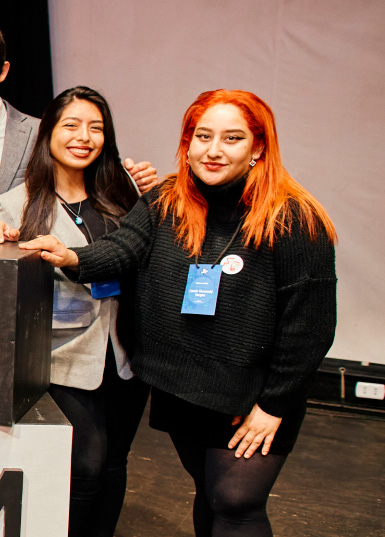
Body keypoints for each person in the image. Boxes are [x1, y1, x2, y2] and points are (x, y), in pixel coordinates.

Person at [21, 89, 337, 537]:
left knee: (235, 501)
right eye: (202, 136)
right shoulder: (169, 199)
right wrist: (73, 258)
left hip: (252, 398)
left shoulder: (294, 219)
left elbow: (311, 327)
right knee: (209, 493)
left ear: (258, 147)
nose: (213, 150)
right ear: (187, 142)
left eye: (231, 138)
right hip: (182, 387)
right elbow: (123, 248)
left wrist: (274, 404)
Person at [0, 86, 147, 537]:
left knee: (114, 464)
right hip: (65, 357)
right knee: (86, 468)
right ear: (49, 132)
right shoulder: (17, 205)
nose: (84, 136)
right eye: (71, 125)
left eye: (96, 128)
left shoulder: (125, 198)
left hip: (126, 355)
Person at [0, 18, 158, 240]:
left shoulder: (40, 134)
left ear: (2, 71)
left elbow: (94, 176)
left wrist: (133, 179)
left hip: (21, 270)